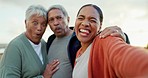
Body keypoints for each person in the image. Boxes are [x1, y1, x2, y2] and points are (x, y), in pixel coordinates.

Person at [46, 5, 130, 78]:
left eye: (59, 18)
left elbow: (105, 38)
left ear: (68, 19)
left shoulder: (79, 37)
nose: (56, 23)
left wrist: (123, 37)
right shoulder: (50, 40)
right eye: (51, 20)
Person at [73, 4, 148, 78]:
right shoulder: (78, 52)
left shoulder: (104, 39)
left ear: (100, 26)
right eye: (80, 18)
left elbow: (125, 55)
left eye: (92, 20)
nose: (85, 23)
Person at [0, 5, 59, 78]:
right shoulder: (14, 47)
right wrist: (43, 77)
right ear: (26, 23)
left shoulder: (44, 44)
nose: (39, 28)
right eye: (35, 23)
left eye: (43, 24)